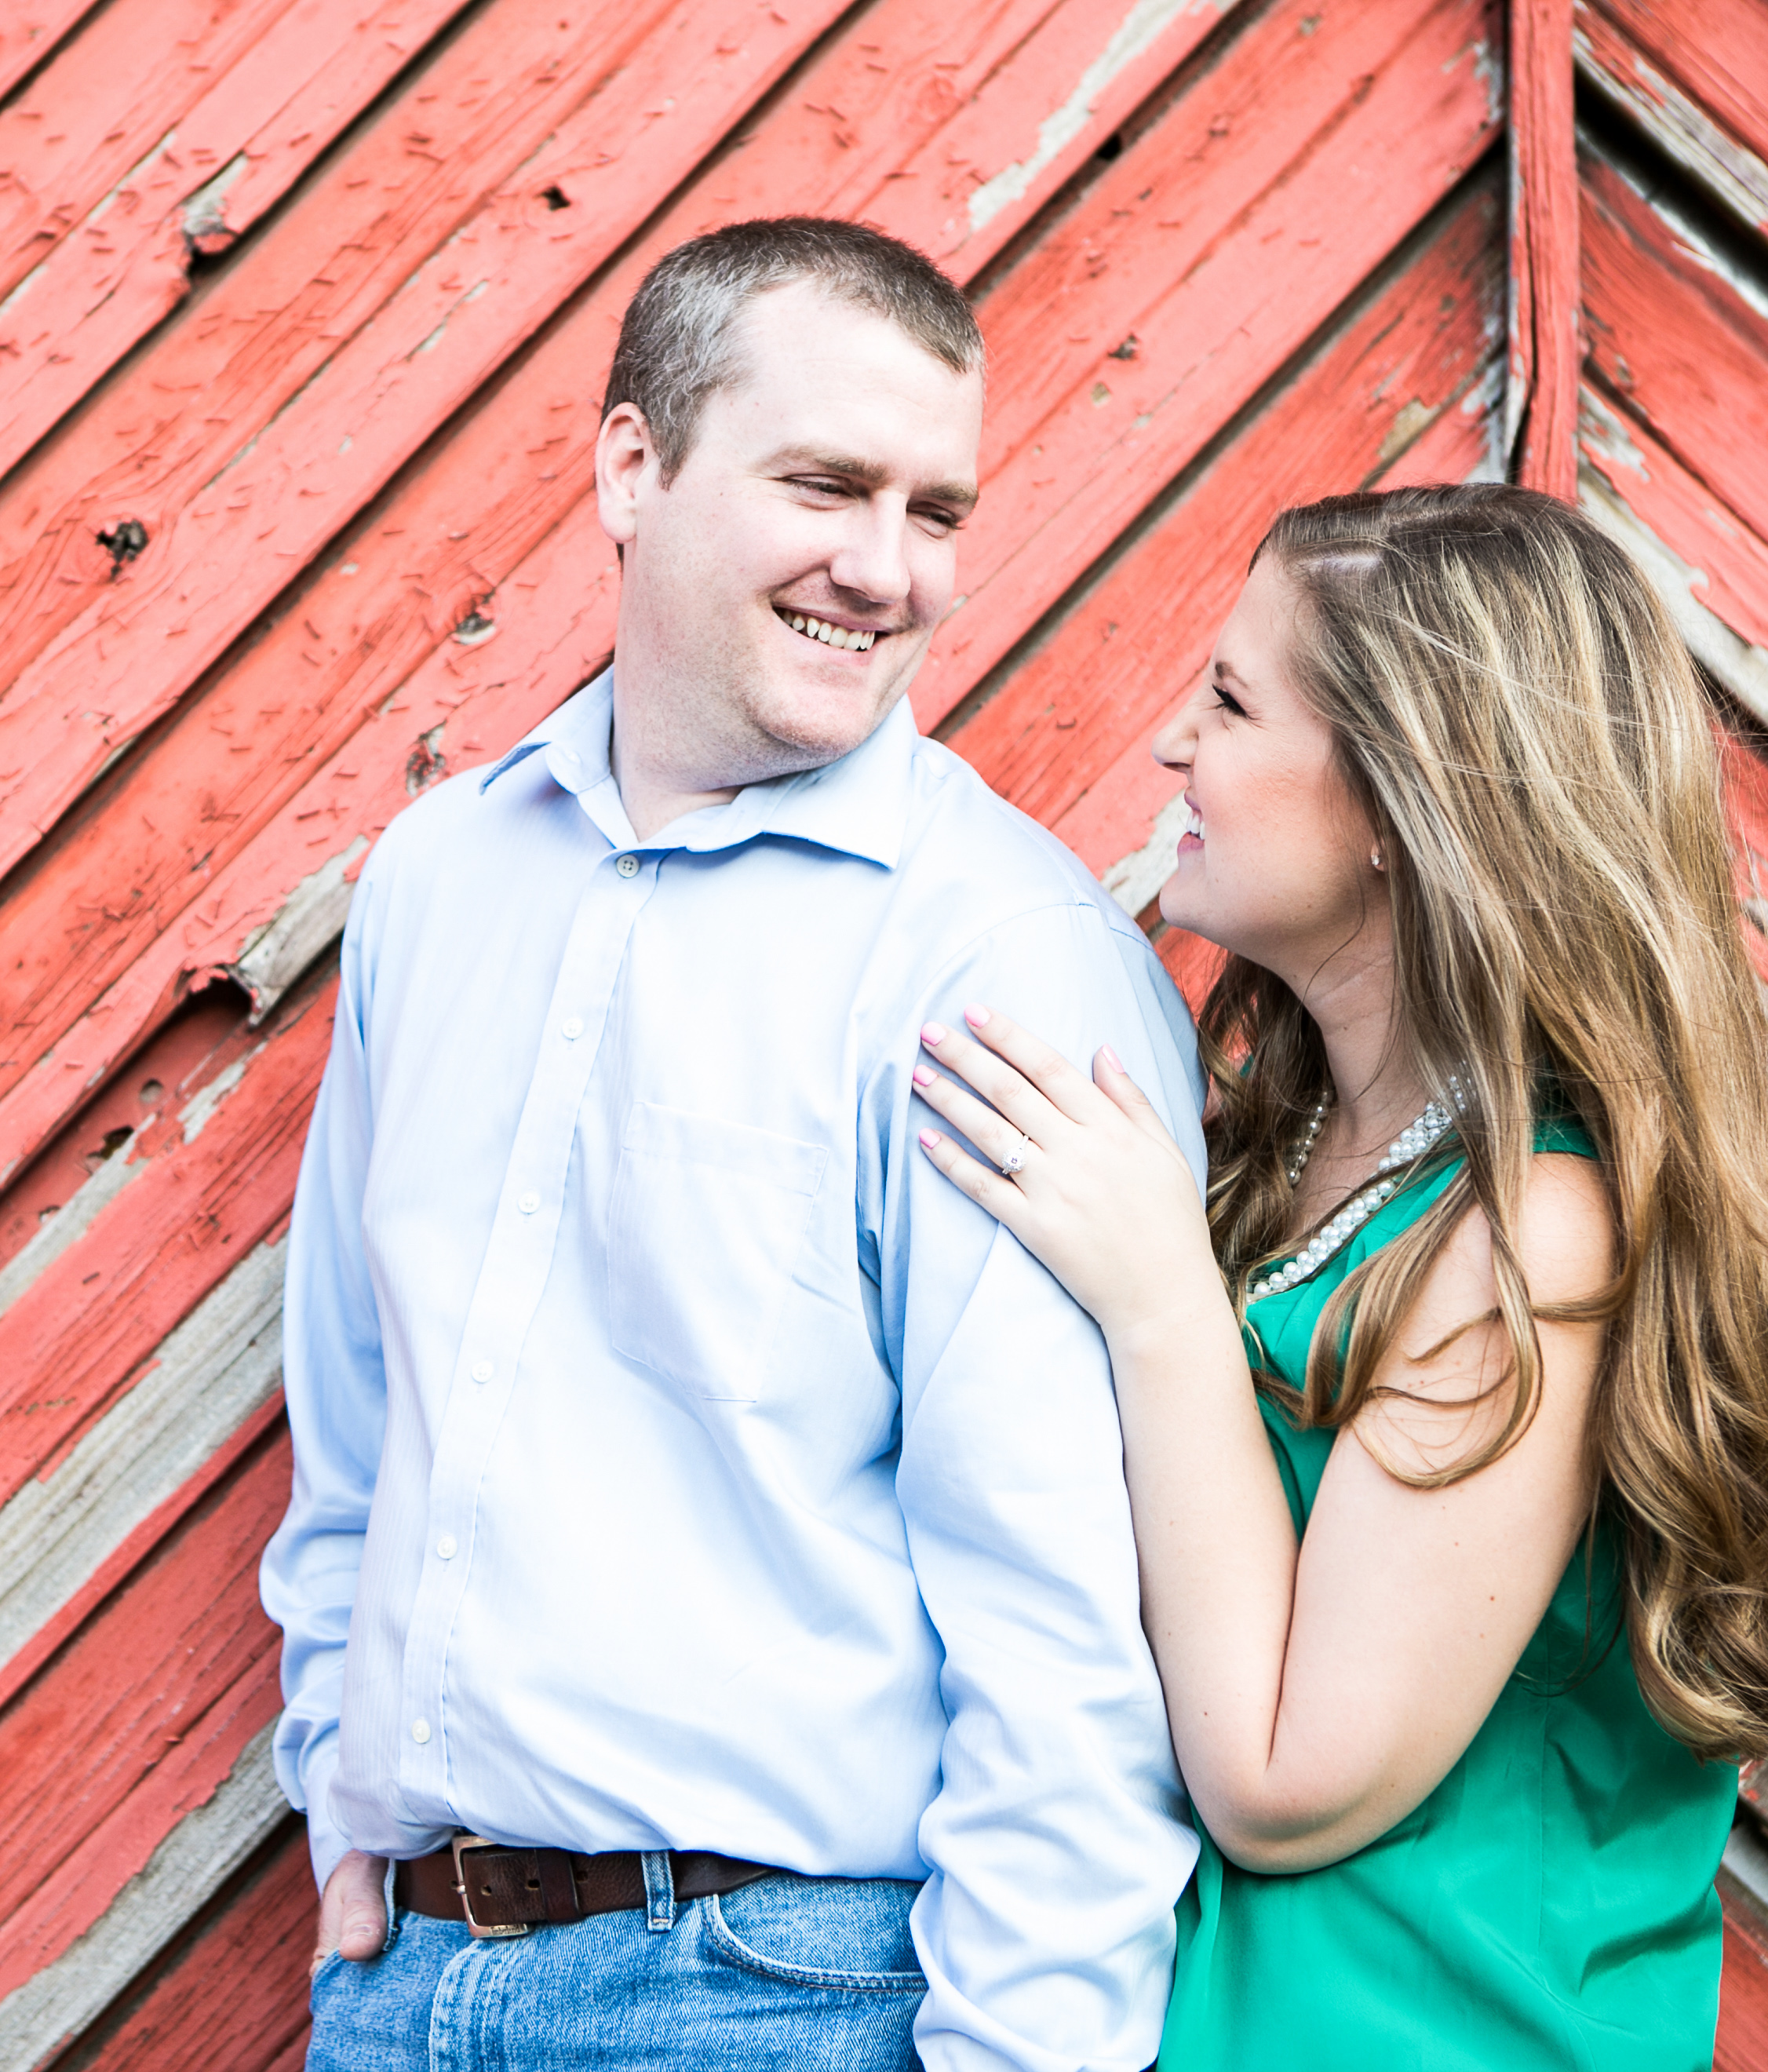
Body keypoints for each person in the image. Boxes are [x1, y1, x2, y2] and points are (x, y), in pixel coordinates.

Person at [259, 217, 1208, 2071]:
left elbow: (1072, 1639)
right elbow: (360, 1425)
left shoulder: (1002, 964)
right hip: (403, 1981)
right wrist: (338, 1779)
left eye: (937, 510)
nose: (890, 571)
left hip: (792, 2002)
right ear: (635, 468)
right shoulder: (439, 882)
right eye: (829, 487)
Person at [913, 483, 1768, 2069]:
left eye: (1230, 700)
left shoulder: (1536, 1240)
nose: (1173, 745)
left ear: (1395, 799)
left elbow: (1286, 1781)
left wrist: (1162, 1306)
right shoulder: (1295, 1162)